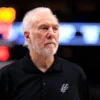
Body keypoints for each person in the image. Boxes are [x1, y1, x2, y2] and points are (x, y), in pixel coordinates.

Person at [0, 7, 91, 100]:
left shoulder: (75, 73)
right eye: (44, 28)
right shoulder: (7, 75)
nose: (51, 34)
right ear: (27, 36)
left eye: (55, 28)